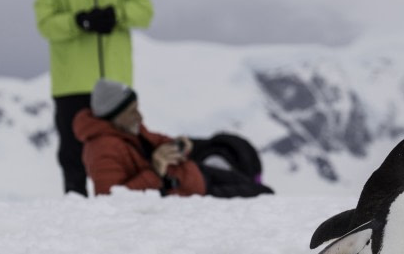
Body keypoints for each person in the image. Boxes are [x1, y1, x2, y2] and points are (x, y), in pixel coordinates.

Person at [34, 0, 154, 196]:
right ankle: (76, 203)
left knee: (123, 146)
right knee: (73, 150)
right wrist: (79, 21)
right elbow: (45, 22)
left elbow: (145, 12)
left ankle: (124, 203)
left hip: (115, 85)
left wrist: (117, 14)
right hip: (73, 83)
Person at [73, 79, 274, 198]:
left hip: (195, 174)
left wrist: (178, 146)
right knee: (263, 195)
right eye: (132, 111)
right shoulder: (102, 149)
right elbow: (111, 200)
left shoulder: (129, 129)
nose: (140, 116)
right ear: (114, 115)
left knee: (260, 187)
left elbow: (157, 140)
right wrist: (155, 170)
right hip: (196, 193)